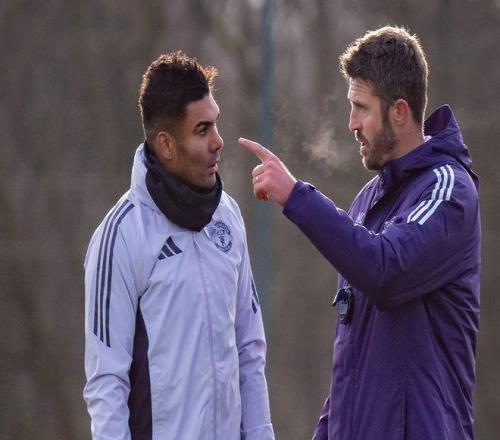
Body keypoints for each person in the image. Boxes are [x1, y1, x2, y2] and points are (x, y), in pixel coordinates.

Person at [240, 26, 480, 440]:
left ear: (399, 112)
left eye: (361, 108)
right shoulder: (368, 201)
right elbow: (350, 368)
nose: (351, 123)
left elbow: (386, 270)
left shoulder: (449, 190)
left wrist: (296, 196)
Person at [83, 51, 274, 440]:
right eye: (202, 130)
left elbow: (249, 350)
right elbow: (106, 383)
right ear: (166, 145)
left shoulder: (227, 217)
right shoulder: (120, 235)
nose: (218, 142)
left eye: (216, 124)